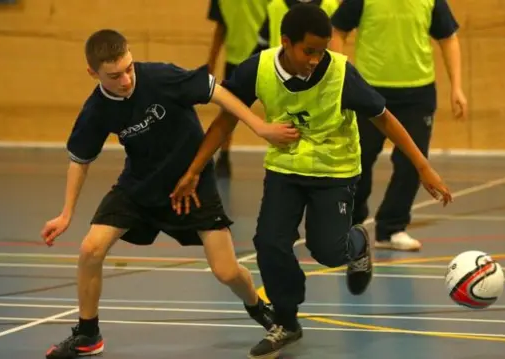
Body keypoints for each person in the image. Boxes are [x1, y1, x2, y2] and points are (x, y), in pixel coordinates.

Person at [169, 4, 453, 358]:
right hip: (285, 170)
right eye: (309, 51)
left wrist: (423, 166)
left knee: (327, 251)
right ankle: (286, 321)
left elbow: (384, 118)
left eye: (323, 50)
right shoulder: (258, 69)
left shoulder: (340, 73)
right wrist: (194, 169)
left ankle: (356, 243)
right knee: (269, 243)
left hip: (334, 172)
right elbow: (226, 120)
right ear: (286, 42)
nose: (317, 59)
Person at [40, 29, 299, 359]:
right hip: (140, 186)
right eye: (114, 75)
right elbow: (80, 160)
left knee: (227, 272)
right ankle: (88, 335)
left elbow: (218, 93)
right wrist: (66, 213)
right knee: (90, 249)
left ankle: (259, 307)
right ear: (93, 73)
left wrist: (260, 127)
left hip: (192, 185)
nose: (126, 80)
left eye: (129, 68)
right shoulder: (97, 109)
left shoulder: (162, 77)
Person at [329, 0, 467, 251]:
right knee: (358, 159)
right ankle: (351, 225)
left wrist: (456, 86)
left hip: (418, 94)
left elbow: (448, 38)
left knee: (412, 164)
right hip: (368, 89)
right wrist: (340, 77)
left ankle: (391, 228)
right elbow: (337, 30)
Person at [206, 0, 269, 177]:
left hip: (267, 57)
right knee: (229, 110)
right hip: (236, 58)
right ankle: (224, 156)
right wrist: (211, 61)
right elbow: (221, 27)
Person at [257, 0, 339, 49]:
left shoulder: (275, 5)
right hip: (320, 69)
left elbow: (263, 41)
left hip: (280, 68)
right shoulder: (331, 5)